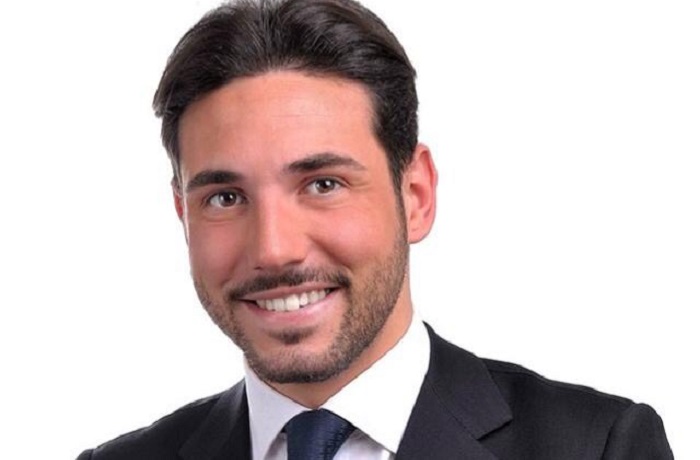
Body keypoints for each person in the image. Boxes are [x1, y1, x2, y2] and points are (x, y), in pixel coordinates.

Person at [78, 0, 673, 458]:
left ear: (415, 196)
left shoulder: (597, 447)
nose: (275, 249)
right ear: (184, 217)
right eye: (225, 198)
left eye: (323, 184)